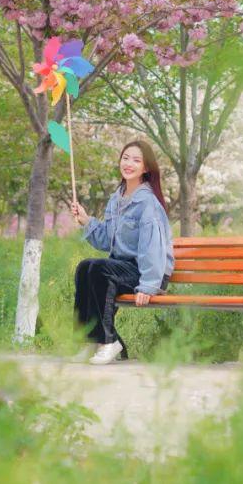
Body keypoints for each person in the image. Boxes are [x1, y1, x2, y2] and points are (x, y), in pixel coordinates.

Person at [70, 140, 174, 365]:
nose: (129, 164)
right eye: (125, 158)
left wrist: (149, 285)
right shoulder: (117, 199)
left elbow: (153, 248)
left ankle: (108, 342)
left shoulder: (147, 203)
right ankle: (89, 340)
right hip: (121, 268)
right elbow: (107, 240)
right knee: (85, 267)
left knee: (99, 269)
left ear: (146, 168)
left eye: (136, 160)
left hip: (147, 272)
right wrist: (86, 220)